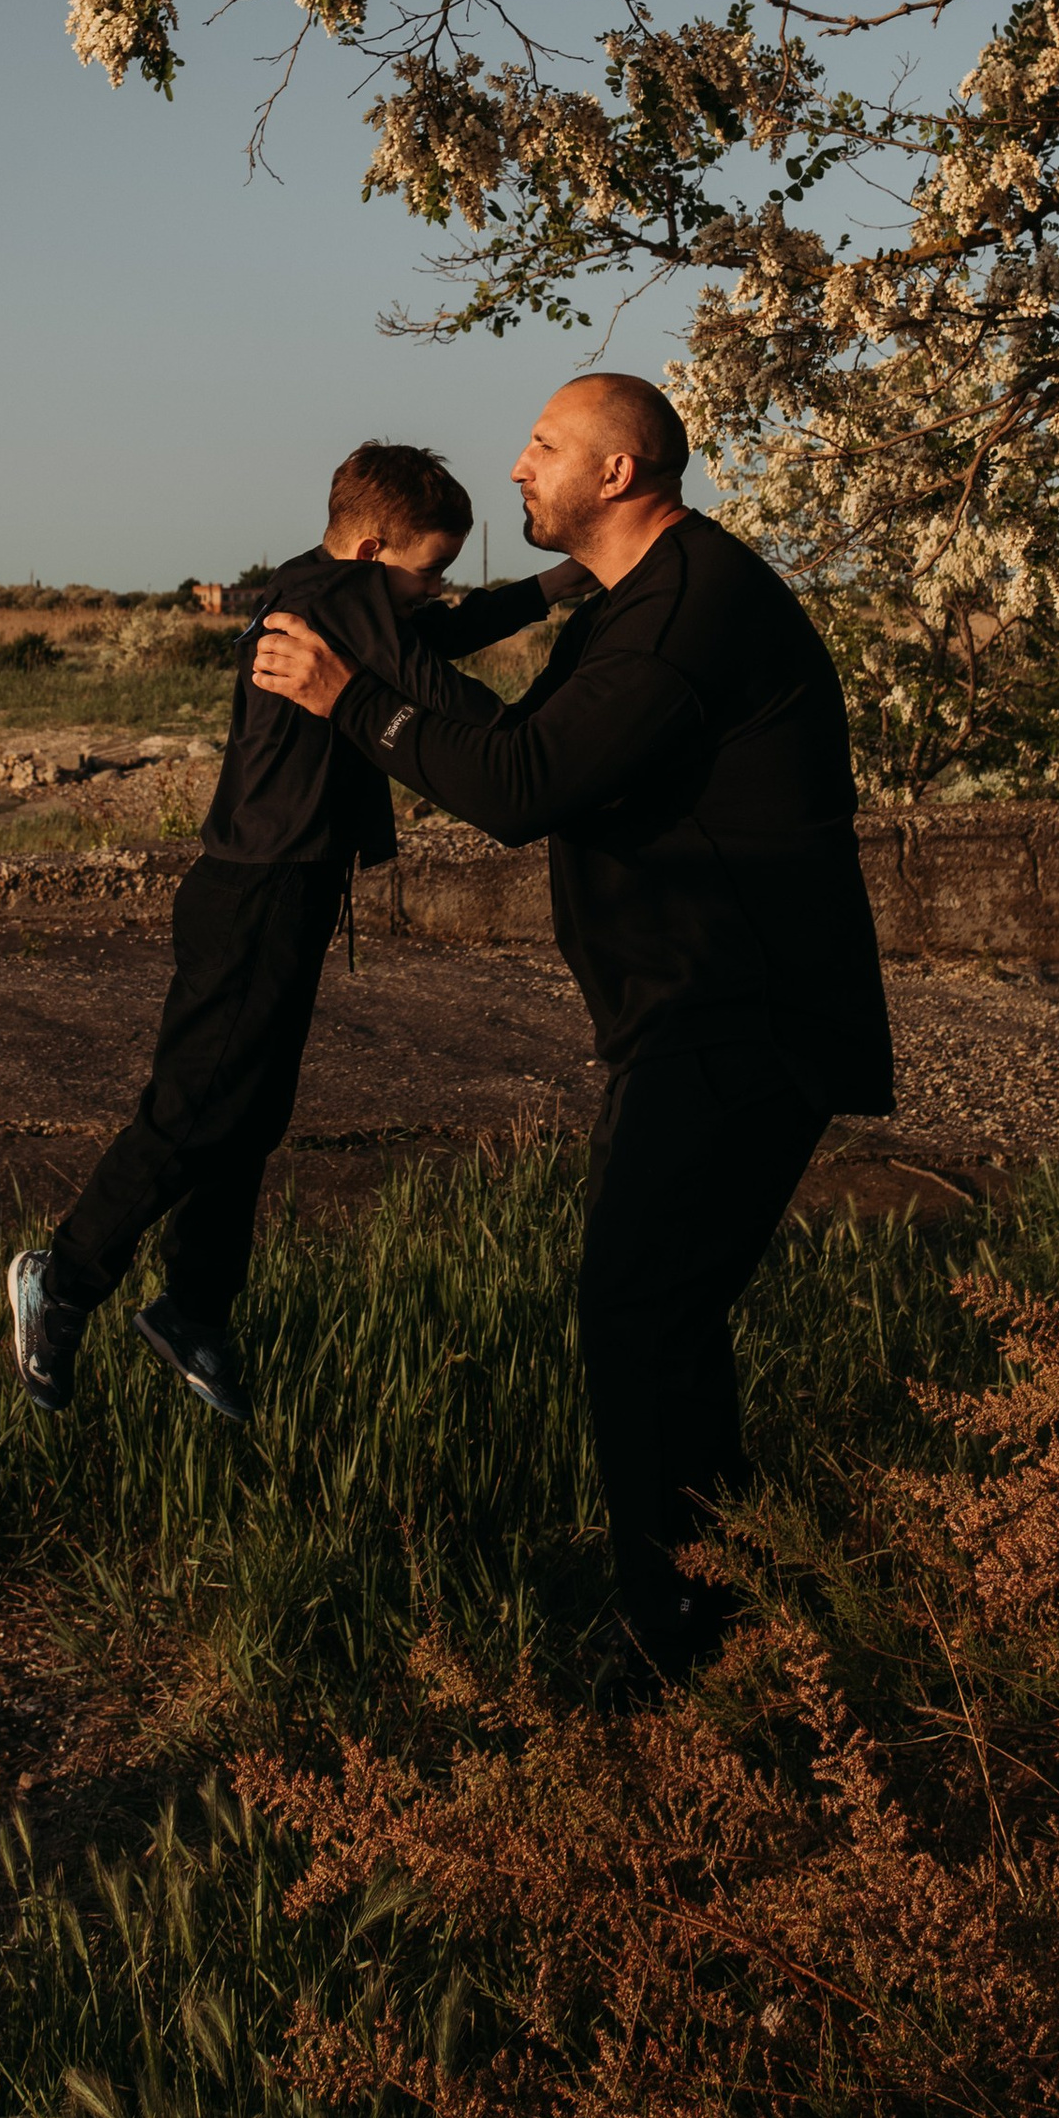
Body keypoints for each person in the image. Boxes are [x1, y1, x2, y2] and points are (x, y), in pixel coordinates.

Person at [251, 373, 892, 1685]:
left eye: (544, 444)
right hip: (693, 1008)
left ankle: (675, 1640)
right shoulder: (633, 602)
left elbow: (520, 785)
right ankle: (718, 1605)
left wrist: (350, 701)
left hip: (740, 1007)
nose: (518, 464)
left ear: (617, 471)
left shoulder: (688, 612)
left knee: (637, 1311)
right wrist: (391, 668)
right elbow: (516, 739)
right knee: (662, 1315)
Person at [8, 441, 582, 1427]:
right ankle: (59, 1282)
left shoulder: (335, 589)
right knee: (193, 1113)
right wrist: (529, 740)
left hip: (282, 889)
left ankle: (194, 1308)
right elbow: (433, 686)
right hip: (257, 893)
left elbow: (437, 634)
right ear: (372, 550)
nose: (438, 588)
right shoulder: (341, 593)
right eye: (430, 569)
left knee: (249, 1115)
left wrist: (551, 588)